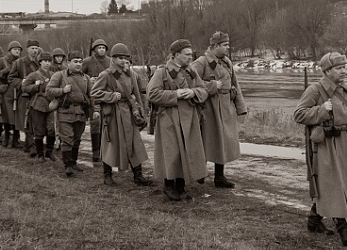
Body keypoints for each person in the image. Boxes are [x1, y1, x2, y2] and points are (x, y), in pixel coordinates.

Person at [294, 52, 347, 245]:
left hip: (346, 144)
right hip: (325, 146)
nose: (343, 71)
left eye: (344, 67)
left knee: (338, 184)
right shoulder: (315, 90)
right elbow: (299, 114)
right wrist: (322, 110)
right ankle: (343, 229)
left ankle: (314, 219)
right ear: (327, 71)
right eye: (339, 68)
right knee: (334, 184)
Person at [147, 39, 208, 201]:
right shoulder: (162, 72)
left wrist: (194, 92)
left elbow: (203, 90)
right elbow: (152, 94)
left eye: (191, 54)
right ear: (175, 55)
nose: (190, 57)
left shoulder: (191, 71)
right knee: (171, 152)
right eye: (186, 54)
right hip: (169, 118)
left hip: (190, 118)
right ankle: (168, 186)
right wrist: (175, 94)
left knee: (186, 150)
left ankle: (181, 185)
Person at [190, 31, 247, 188]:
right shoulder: (201, 62)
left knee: (223, 142)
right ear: (215, 46)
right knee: (206, 141)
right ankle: (200, 173)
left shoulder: (227, 62)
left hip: (226, 108)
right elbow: (190, 83)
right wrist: (212, 86)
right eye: (225, 45)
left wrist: (240, 107)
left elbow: (235, 84)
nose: (228, 47)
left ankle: (219, 177)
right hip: (209, 110)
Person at [91, 42, 152, 186]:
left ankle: (138, 175)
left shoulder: (131, 74)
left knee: (134, 142)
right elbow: (94, 93)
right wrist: (111, 96)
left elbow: (138, 93)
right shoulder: (106, 74)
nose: (123, 60)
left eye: (125, 58)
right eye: (120, 58)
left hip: (129, 113)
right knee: (111, 144)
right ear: (113, 58)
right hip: (113, 114)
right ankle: (107, 175)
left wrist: (141, 110)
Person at [46, 51, 93, 177]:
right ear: (68, 63)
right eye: (75, 61)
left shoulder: (86, 78)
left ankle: (73, 162)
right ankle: (67, 166)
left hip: (81, 112)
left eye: (80, 62)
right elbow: (48, 90)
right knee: (67, 139)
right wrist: (62, 90)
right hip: (65, 112)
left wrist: (95, 111)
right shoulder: (59, 75)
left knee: (77, 139)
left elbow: (91, 96)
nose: (78, 64)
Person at [22, 52, 57, 163]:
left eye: (49, 61)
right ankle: (40, 154)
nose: (47, 63)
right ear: (40, 62)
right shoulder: (34, 75)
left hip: (51, 104)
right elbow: (24, 87)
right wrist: (35, 86)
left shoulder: (54, 75)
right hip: (38, 104)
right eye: (45, 61)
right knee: (39, 130)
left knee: (51, 129)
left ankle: (49, 151)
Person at [9, 39, 42, 156]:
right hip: (25, 96)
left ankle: (29, 144)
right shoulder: (19, 63)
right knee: (27, 120)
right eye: (32, 48)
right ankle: (32, 145)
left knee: (37, 121)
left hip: (38, 95)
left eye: (36, 48)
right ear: (27, 49)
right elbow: (11, 79)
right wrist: (22, 82)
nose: (34, 51)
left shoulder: (41, 63)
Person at [0, 40, 22, 148]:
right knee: (6, 116)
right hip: (6, 92)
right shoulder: (1, 61)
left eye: (19, 50)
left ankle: (16, 139)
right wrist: (4, 71)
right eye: (15, 49)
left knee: (17, 116)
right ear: (9, 50)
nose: (17, 51)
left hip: (18, 91)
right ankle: (6, 138)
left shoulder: (21, 62)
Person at [82, 38, 111, 162]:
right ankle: (95, 151)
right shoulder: (87, 61)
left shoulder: (110, 61)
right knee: (95, 123)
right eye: (99, 48)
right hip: (93, 96)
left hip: (107, 95)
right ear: (94, 49)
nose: (101, 50)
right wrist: (89, 79)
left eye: (103, 48)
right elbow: (80, 75)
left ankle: (106, 151)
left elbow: (116, 75)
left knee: (108, 124)